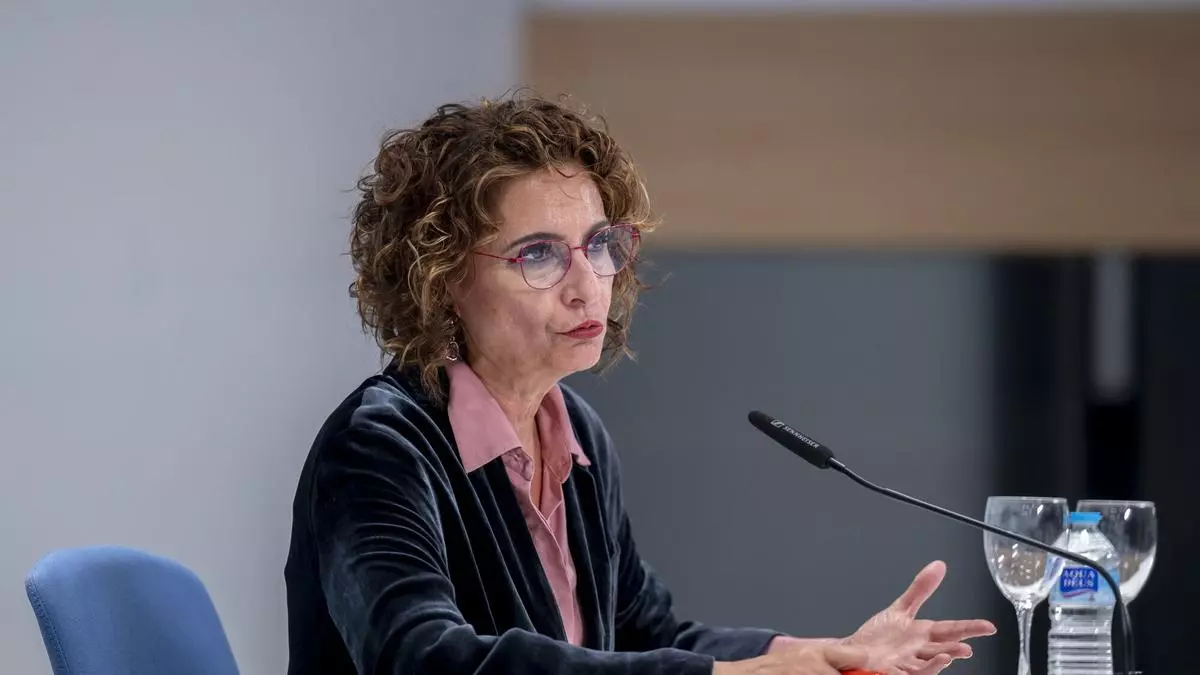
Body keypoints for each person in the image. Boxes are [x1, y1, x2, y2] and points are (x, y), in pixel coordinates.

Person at [283, 94, 996, 675]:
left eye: (599, 245)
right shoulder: (380, 445)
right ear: (441, 280)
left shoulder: (577, 436)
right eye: (539, 255)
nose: (587, 284)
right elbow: (424, 660)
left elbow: (644, 633)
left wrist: (823, 654)